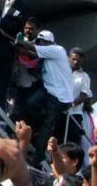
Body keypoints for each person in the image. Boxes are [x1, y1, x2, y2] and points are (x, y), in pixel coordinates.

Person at [13, 29, 76, 166]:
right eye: (39, 42)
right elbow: (30, 54)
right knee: (31, 104)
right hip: (50, 91)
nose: (40, 44)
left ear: (48, 42)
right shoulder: (47, 55)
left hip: (60, 96)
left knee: (47, 126)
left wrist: (20, 41)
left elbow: (32, 48)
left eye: (42, 42)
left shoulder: (57, 50)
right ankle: (36, 132)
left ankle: (38, 156)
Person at [67, 47, 93, 149]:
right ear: (69, 58)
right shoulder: (62, 71)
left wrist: (71, 104)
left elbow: (84, 95)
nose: (76, 62)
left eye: (78, 60)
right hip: (59, 112)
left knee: (73, 142)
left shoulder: (84, 76)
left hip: (74, 114)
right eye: (73, 59)